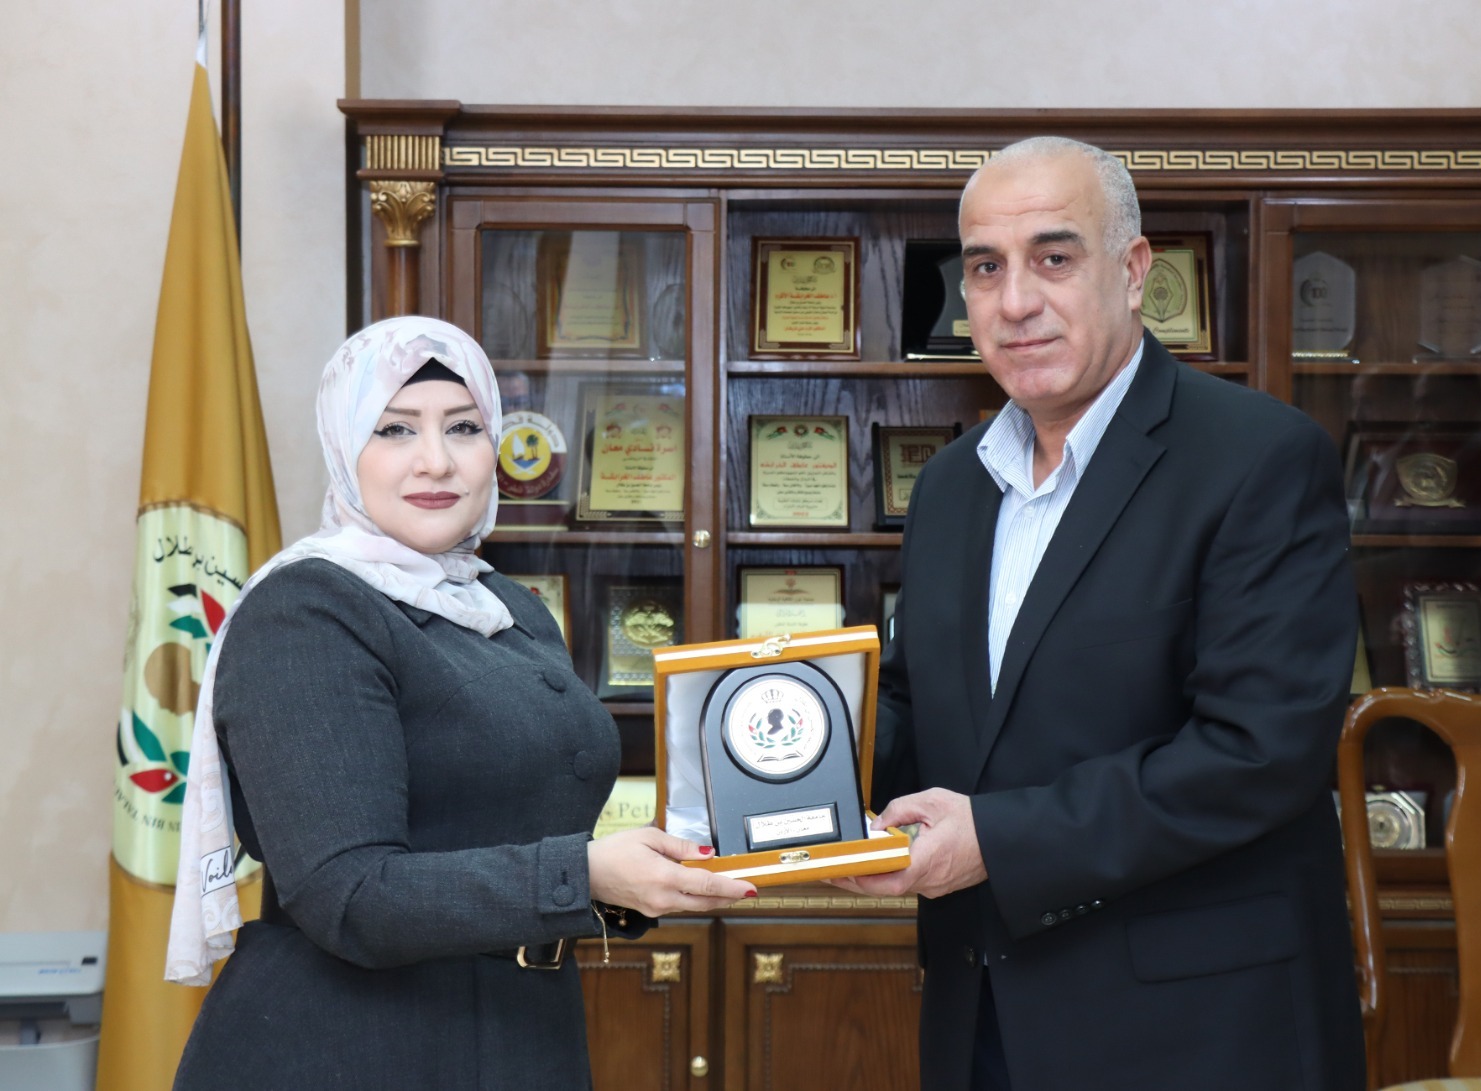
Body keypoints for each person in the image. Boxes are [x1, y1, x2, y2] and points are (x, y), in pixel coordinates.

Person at [839, 138, 1366, 1089]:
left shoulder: (1260, 458)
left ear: (1132, 271)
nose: (1014, 301)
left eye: (1054, 257)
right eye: (986, 268)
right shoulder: (953, 485)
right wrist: (788, 774)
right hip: (981, 1015)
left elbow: (1259, 753)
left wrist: (995, 841)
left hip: (1196, 1034)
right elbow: (927, 710)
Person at [165, 316, 753, 1089]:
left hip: (521, 1034)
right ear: (344, 446)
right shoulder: (306, 611)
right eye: (395, 429)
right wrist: (583, 874)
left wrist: (669, 865)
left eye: (464, 426)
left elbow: (519, 824)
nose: (436, 460)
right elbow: (350, 897)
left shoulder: (505, 606)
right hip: (352, 1053)